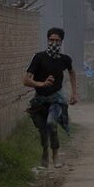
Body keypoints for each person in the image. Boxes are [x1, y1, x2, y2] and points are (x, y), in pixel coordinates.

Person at [24, 27, 79, 168]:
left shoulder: (65, 59)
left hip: (57, 99)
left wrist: (74, 92)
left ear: (61, 42)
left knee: (51, 124)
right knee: (43, 130)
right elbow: (26, 80)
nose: (54, 43)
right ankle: (44, 153)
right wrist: (41, 84)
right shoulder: (38, 58)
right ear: (47, 40)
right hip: (40, 101)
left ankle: (55, 155)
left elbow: (72, 73)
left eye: (57, 40)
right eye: (51, 40)